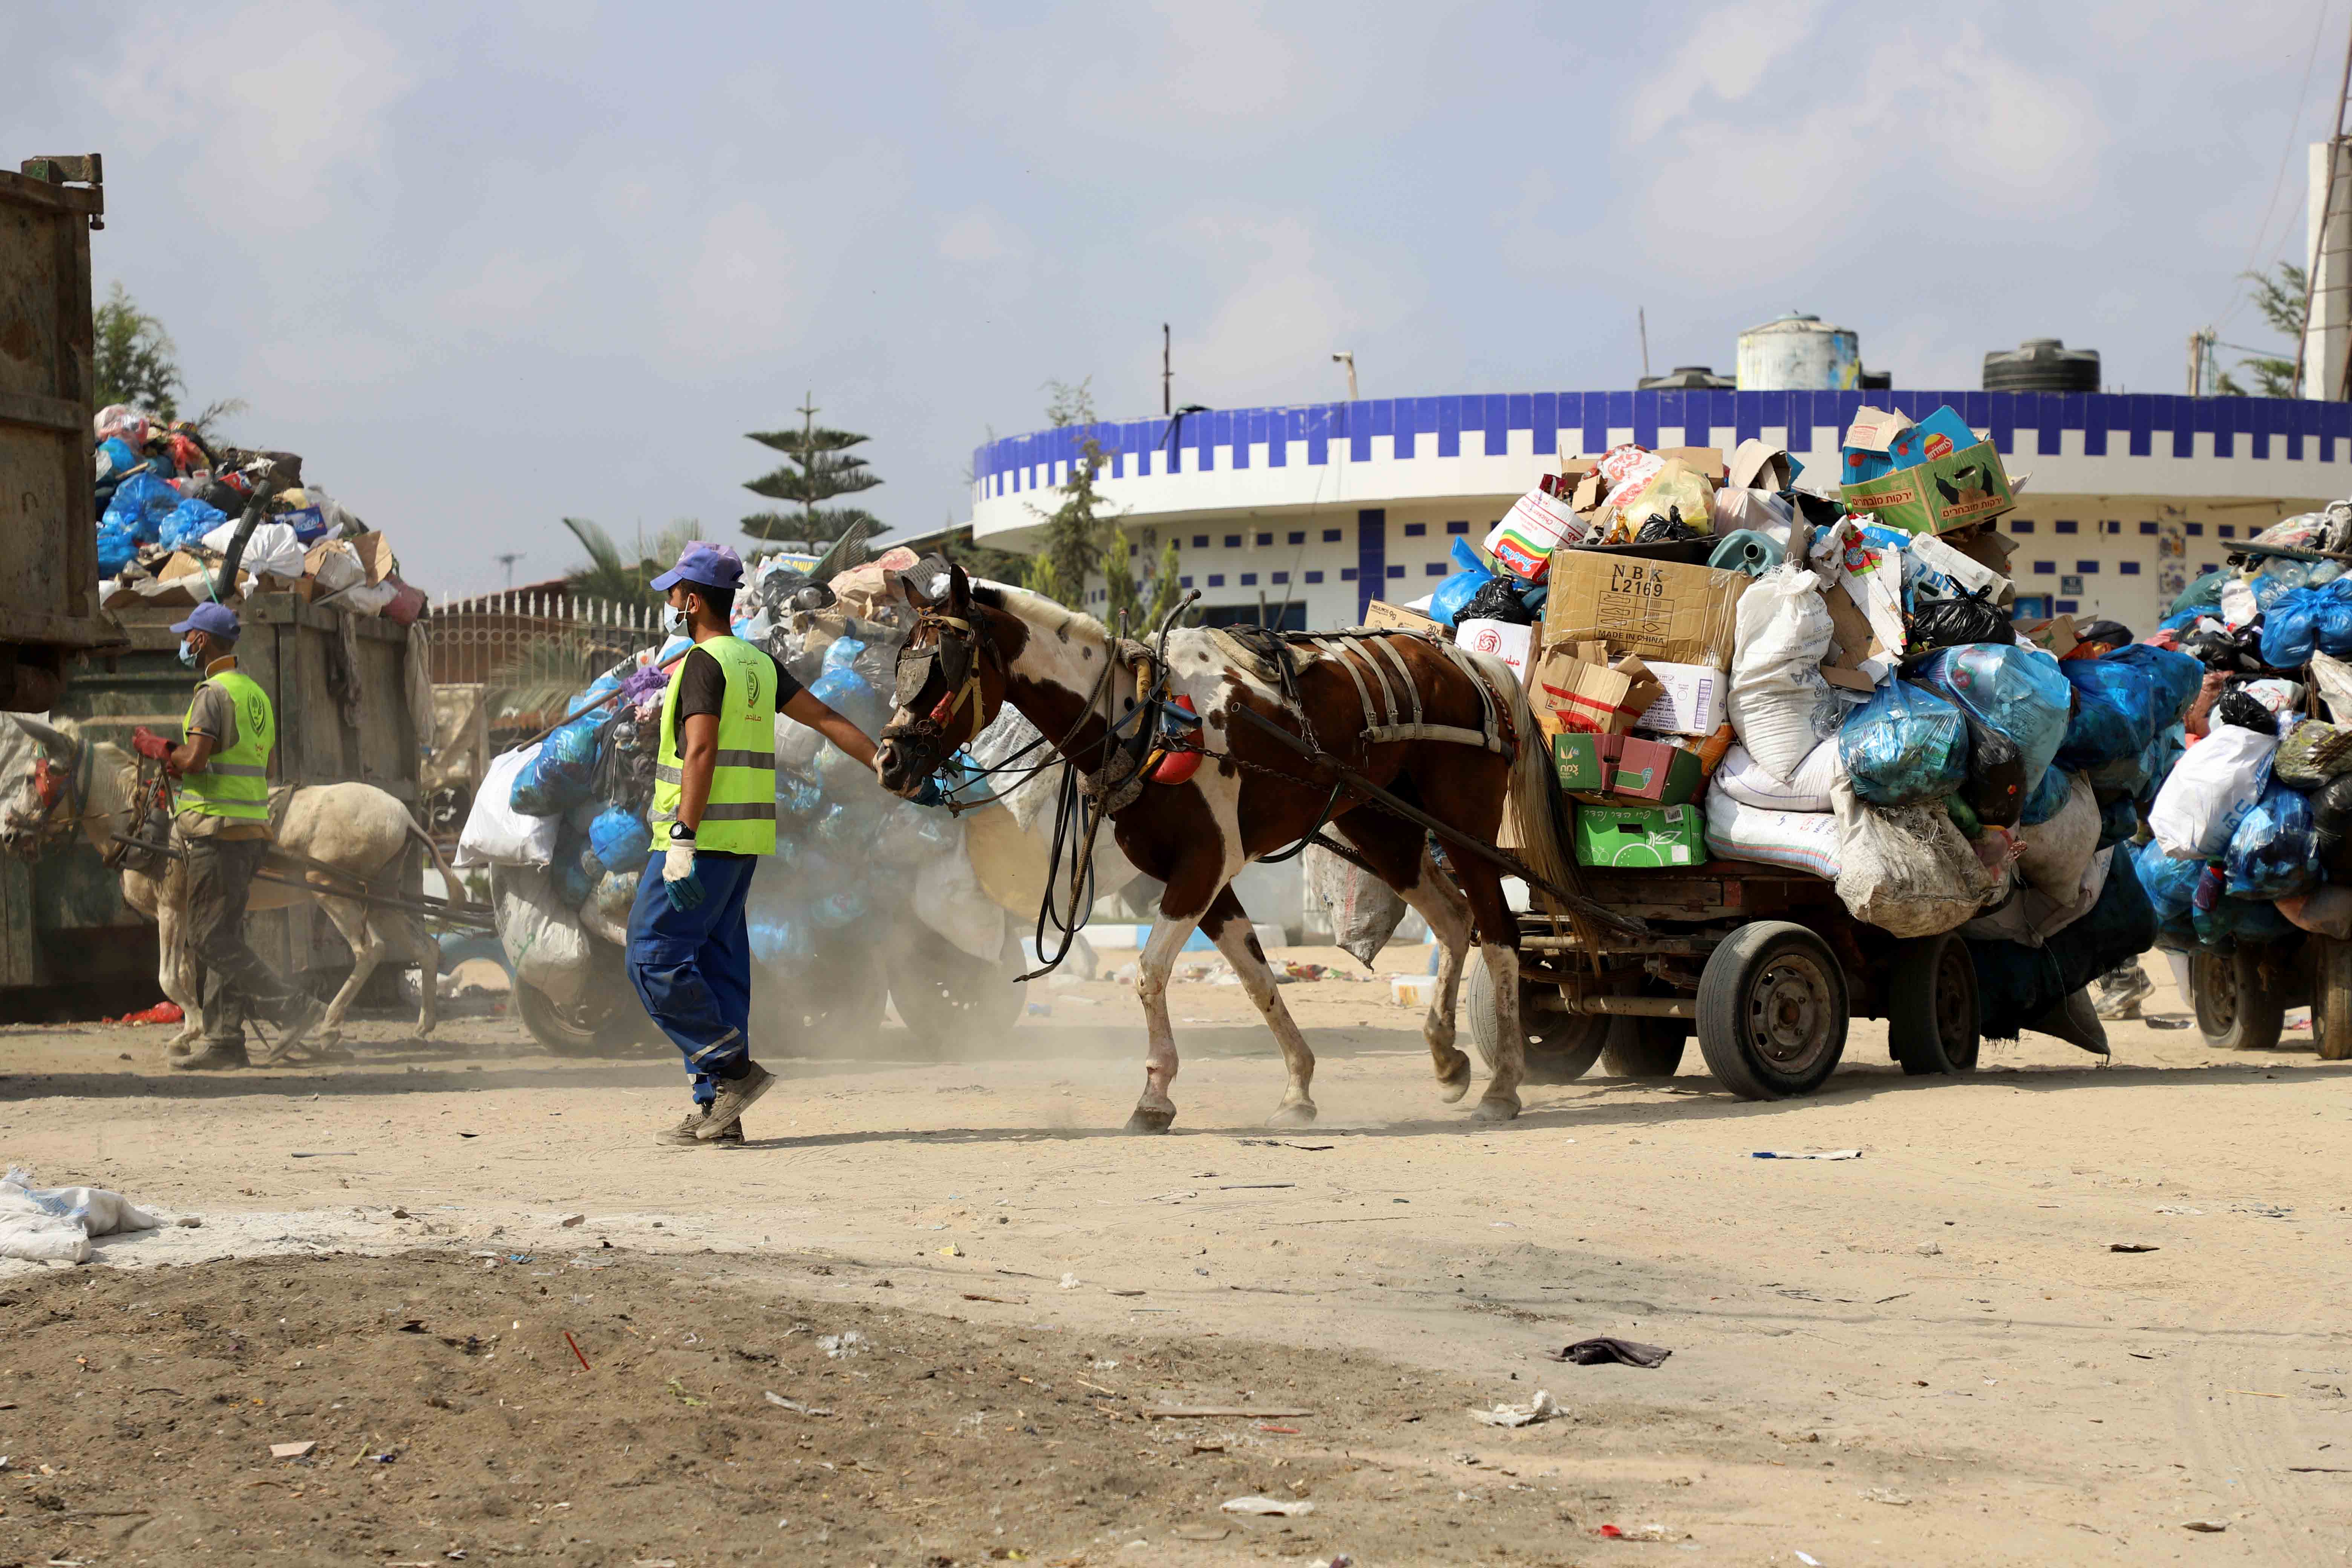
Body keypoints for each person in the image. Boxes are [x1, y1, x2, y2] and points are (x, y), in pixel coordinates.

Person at [627, 545, 941, 1147]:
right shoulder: (756, 663)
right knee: (717, 969)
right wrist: (884, 762)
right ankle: (718, 1113)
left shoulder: (701, 663)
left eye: (673, 594)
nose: (669, 604)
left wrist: (682, 839)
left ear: (692, 602)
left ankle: (733, 1073)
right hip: (744, 843)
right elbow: (825, 719)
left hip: (698, 841)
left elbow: (701, 751)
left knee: (652, 957)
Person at [130, 603, 326, 1070]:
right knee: (224, 932)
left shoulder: (211, 693)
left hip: (217, 830)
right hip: (252, 827)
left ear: (202, 640)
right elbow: (264, 765)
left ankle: (292, 1007)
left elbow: (196, 759)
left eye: (188, 636)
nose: (185, 644)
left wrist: (162, 750)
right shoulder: (255, 694)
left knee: (207, 935)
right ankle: (225, 1042)